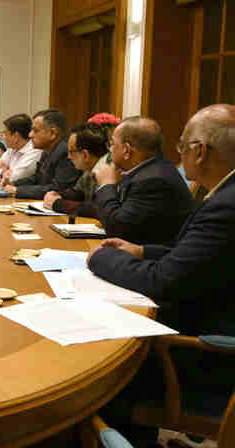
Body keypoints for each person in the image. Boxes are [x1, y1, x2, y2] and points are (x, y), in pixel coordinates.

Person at [87, 104, 235, 446]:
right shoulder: (224, 195)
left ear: (200, 151)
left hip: (208, 355)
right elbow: (203, 258)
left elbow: (163, 281)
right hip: (211, 319)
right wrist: (143, 251)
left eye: (182, 146)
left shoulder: (226, 206)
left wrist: (101, 258)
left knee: (103, 374)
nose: (178, 155)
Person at [93, 117, 195, 245]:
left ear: (126, 150)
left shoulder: (154, 181)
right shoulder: (147, 171)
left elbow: (117, 229)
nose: (110, 149)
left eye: (112, 144)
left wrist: (106, 185)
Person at [2, 109, 82, 199]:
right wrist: (14, 183)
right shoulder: (46, 150)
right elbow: (37, 178)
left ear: (52, 133)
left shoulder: (66, 151)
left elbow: (58, 189)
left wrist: (17, 190)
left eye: (35, 131)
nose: (30, 135)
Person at [42, 122, 110, 218]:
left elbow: (99, 209)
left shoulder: (110, 169)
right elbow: (78, 193)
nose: (68, 157)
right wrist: (57, 195)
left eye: (71, 152)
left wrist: (58, 204)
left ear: (85, 155)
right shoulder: (90, 169)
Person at [0, 113, 41, 183]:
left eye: (5, 134)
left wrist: (3, 172)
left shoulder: (34, 151)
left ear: (15, 136)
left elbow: (16, 178)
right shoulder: (12, 149)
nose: (3, 137)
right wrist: (3, 172)